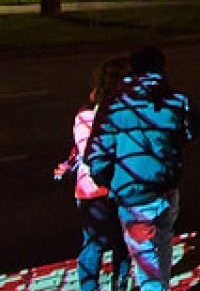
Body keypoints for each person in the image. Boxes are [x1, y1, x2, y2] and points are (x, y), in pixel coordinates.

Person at [85, 47, 200, 291]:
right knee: (163, 241)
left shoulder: (113, 105)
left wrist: (107, 180)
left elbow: (97, 153)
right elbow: (190, 133)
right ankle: (163, 284)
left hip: (133, 192)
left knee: (145, 258)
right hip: (167, 186)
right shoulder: (178, 101)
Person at [56, 57, 132, 291]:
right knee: (122, 242)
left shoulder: (84, 115)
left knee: (93, 244)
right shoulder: (128, 114)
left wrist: (68, 165)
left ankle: (89, 288)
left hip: (90, 190)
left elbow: (82, 149)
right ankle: (120, 284)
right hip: (121, 186)